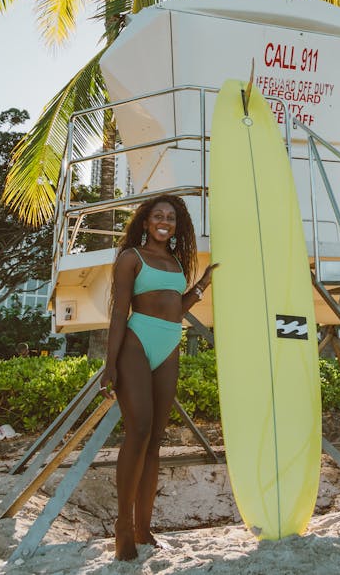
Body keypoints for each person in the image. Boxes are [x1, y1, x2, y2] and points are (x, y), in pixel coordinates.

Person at [100, 194, 217, 561]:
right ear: (146, 222)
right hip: (137, 341)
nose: (164, 221)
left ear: (176, 225)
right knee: (138, 430)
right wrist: (110, 363)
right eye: (157, 216)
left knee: (155, 442)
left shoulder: (176, 262)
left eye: (170, 217)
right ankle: (122, 526)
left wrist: (202, 285)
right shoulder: (131, 258)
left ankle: (143, 527)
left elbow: (176, 307)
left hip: (169, 345)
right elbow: (120, 312)